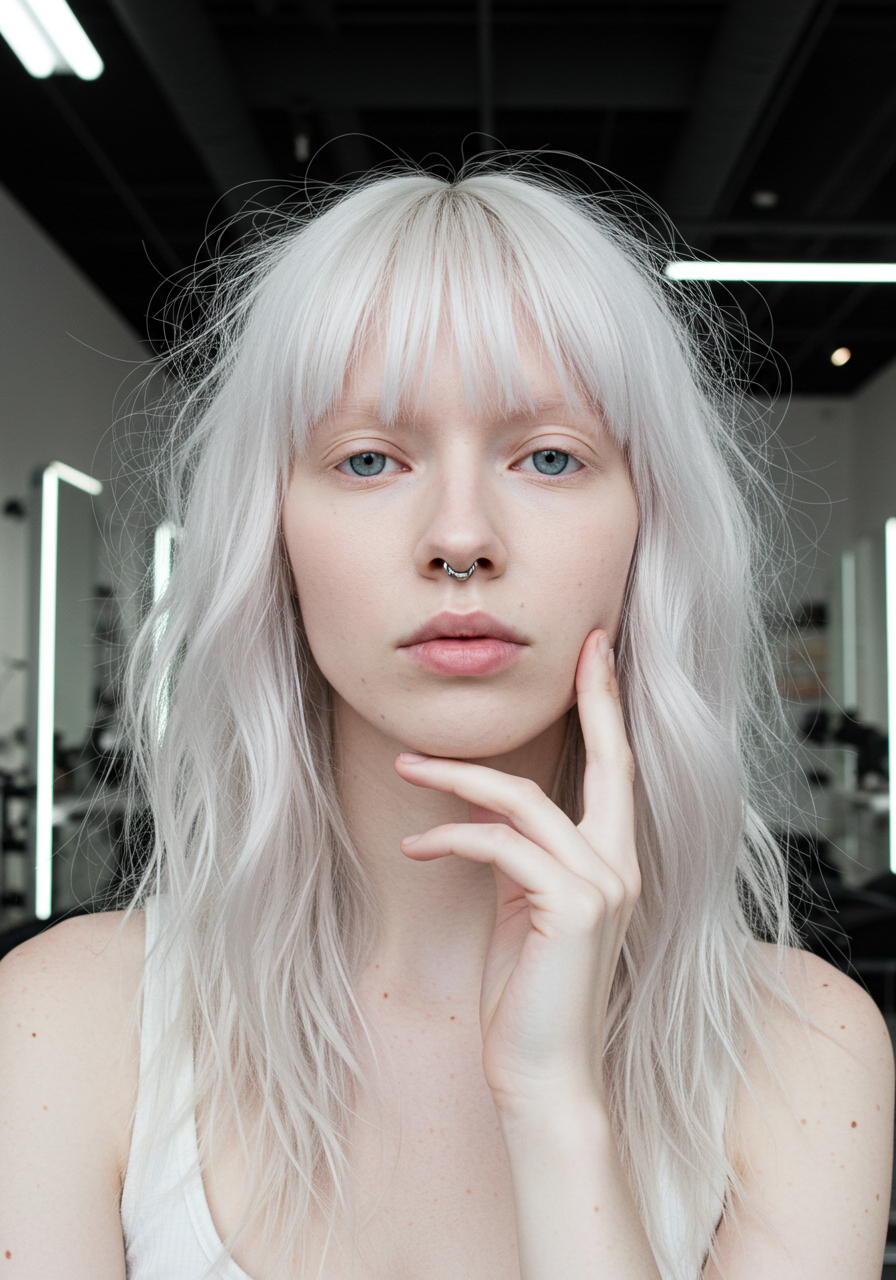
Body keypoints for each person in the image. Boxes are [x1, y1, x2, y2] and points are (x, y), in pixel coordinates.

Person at [0, 165, 892, 1280]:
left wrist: (555, 1104)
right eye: (368, 457)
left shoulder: (802, 1050)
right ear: (271, 536)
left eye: (549, 456)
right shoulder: (62, 1025)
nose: (459, 534)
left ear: (643, 536)